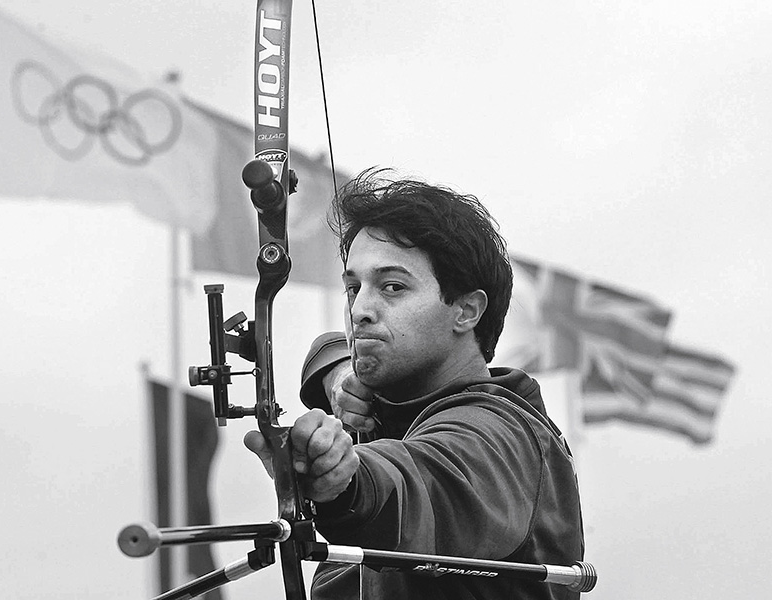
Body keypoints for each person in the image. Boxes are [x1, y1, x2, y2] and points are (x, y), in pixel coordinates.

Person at [244, 169, 584, 600]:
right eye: (353, 287)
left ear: (466, 311)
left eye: (392, 287)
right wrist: (339, 376)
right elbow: (327, 349)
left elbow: (422, 481)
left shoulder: (500, 437)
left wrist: (347, 481)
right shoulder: (388, 410)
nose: (360, 309)